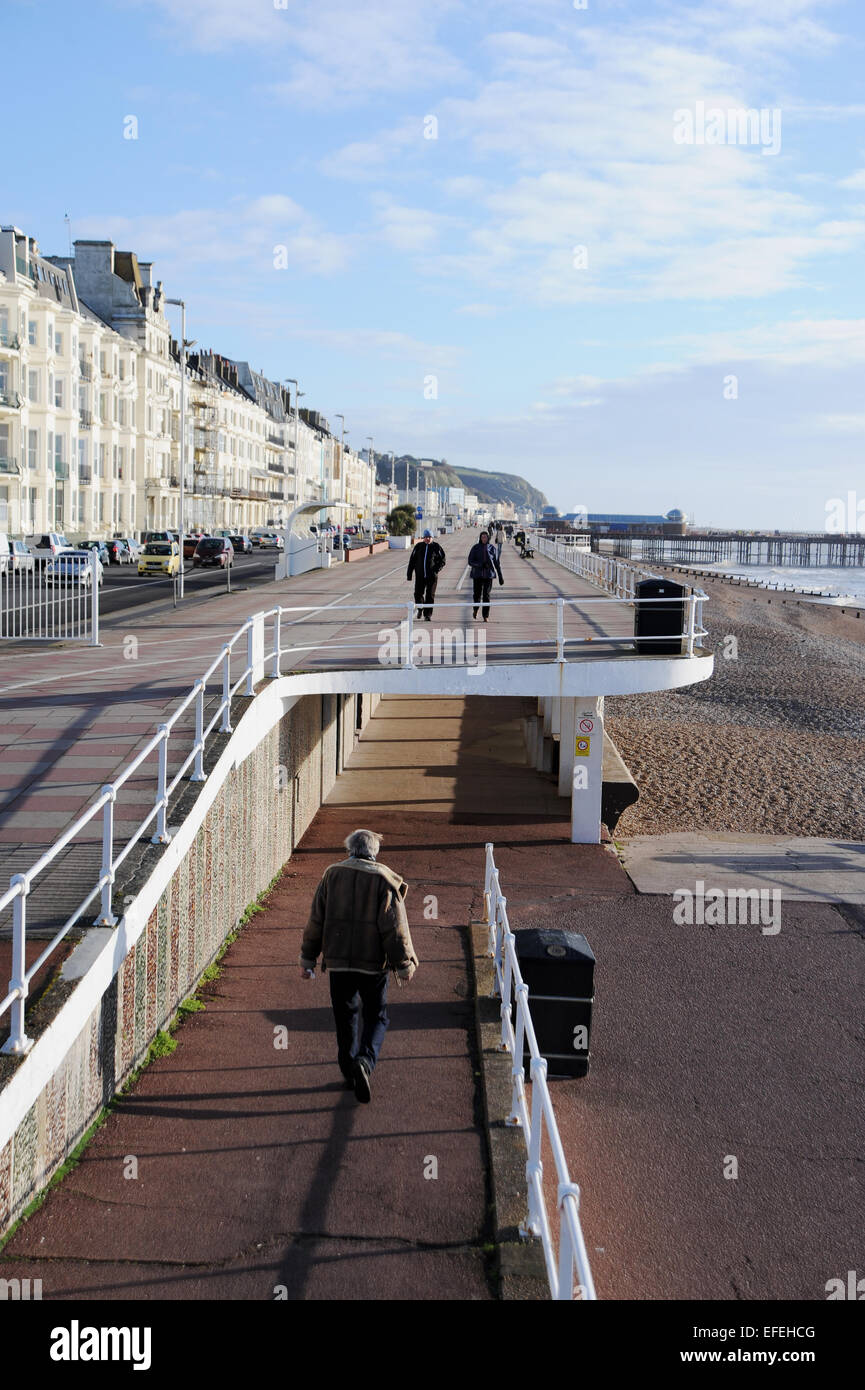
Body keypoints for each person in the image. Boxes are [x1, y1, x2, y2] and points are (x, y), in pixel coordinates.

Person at [300, 829, 418, 1104]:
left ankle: (348, 1068)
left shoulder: (332, 875)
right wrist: (403, 964)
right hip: (372, 964)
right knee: (377, 1015)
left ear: (349, 849)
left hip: (339, 962)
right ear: (374, 852)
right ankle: (365, 1061)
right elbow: (394, 928)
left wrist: (308, 960)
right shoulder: (383, 880)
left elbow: (316, 920)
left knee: (345, 1015)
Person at [406, 528, 446, 620]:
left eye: (429, 537)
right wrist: (409, 574)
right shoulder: (418, 546)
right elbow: (412, 560)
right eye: (426, 537)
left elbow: (443, 560)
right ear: (423, 538)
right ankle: (420, 609)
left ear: (432, 537)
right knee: (418, 594)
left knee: (430, 595)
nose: (427, 539)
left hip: (432, 576)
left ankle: (427, 615)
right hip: (420, 576)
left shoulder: (436, 547)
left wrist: (436, 569)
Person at [467, 530, 503, 621]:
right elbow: (470, 561)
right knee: (477, 595)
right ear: (480, 538)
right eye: (482, 537)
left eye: (485, 537)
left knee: (486, 595)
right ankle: (475, 610)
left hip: (488, 575)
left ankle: (485, 616)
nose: (484, 539)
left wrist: (500, 576)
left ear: (488, 538)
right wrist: (479, 565)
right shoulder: (475, 548)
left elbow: (497, 563)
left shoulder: (492, 548)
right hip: (477, 575)